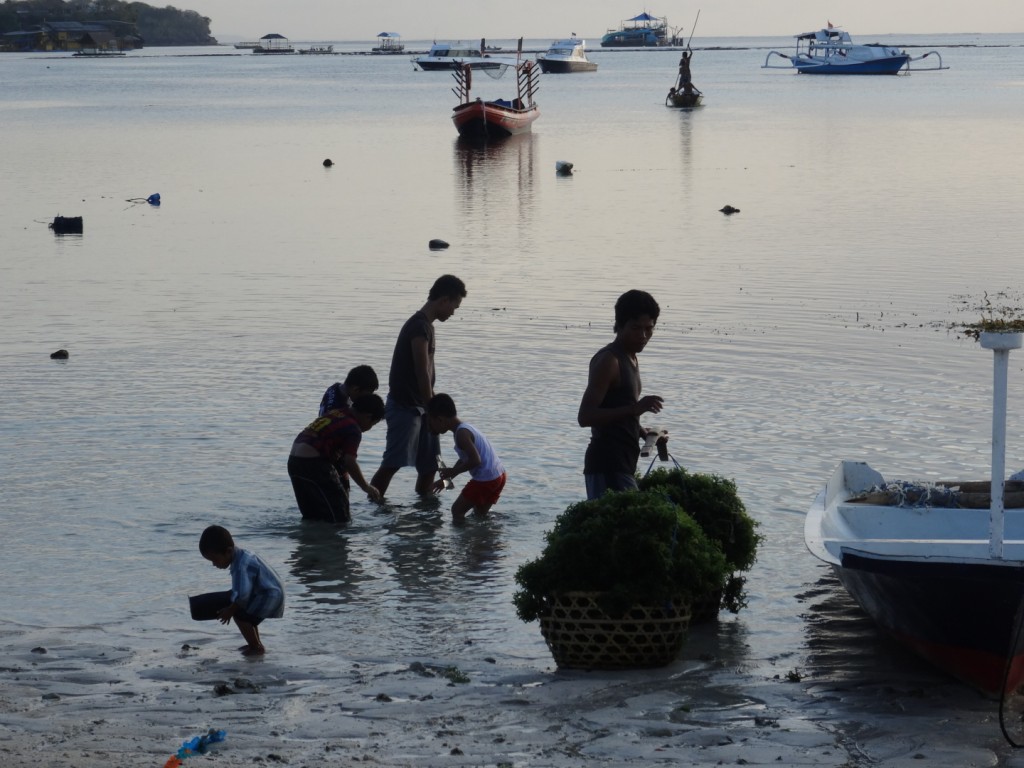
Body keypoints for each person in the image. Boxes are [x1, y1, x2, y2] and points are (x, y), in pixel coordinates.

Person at [370, 275, 467, 498]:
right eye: (454, 306)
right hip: (407, 407)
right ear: (444, 300)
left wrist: (429, 409)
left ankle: (426, 511)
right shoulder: (419, 327)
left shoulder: (427, 327)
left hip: (424, 407)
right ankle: (373, 503)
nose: (453, 312)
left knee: (431, 465)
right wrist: (433, 410)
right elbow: (422, 370)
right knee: (393, 463)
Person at [578, 289, 664, 500]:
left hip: (624, 463)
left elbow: (622, 416)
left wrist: (648, 435)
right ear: (620, 325)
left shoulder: (631, 357)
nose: (643, 336)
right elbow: (585, 416)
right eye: (636, 328)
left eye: (648, 329)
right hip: (607, 465)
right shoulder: (609, 360)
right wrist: (635, 409)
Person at [288, 394, 386, 524]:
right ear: (368, 416)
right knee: (340, 518)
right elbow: (349, 462)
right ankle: (334, 543)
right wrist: (366, 487)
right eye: (372, 424)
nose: (369, 428)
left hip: (294, 462)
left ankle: (309, 542)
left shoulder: (337, 412)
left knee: (312, 515)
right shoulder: (353, 428)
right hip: (313, 464)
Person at [197, 525, 284, 657]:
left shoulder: (241, 565)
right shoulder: (242, 555)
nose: (214, 564)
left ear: (228, 551)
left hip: (269, 595)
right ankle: (256, 644)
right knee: (247, 616)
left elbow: (242, 596)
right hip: (270, 592)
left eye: (215, 560)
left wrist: (230, 610)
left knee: (240, 615)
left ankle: (256, 647)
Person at [427, 393, 507, 522]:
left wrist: (452, 471)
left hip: (486, 479)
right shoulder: (464, 428)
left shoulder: (461, 434)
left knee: (457, 511)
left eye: (431, 422)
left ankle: (461, 542)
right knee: (480, 515)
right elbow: (466, 459)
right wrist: (447, 480)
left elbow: (475, 460)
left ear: (440, 420)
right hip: (499, 476)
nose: (430, 428)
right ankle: (483, 539)